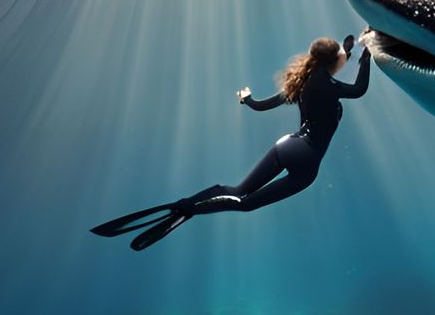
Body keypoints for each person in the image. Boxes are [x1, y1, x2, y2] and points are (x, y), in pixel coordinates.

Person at [92, 31, 371, 251]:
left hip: (287, 145)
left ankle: (187, 202)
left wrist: (246, 99)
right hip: (307, 160)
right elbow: (358, 90)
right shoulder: (330, 87)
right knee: (245, 204)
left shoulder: (304, 80)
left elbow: (261, 105)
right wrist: (366, 57)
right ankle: (189, 209)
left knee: (237, 190)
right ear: (333, 62)